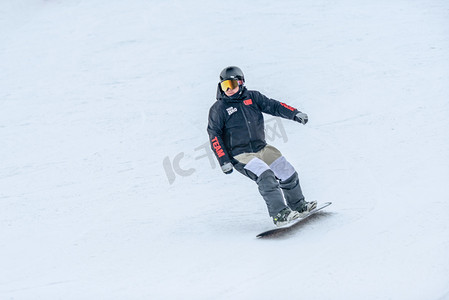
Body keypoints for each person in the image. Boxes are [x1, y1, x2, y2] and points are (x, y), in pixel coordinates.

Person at [207, 66, 317, 227]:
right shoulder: (219, 109)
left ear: (241, 82)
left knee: (286, 170)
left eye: (232, 85)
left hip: (261, 147)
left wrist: (294, 113)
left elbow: (274, 106)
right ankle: (280, 214)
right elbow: (214, 135)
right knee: (265, 175)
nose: (229, 89)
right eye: (225, 86)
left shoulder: (253, 97)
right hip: (240, 154)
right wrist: (223, 159)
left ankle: (299, 206)